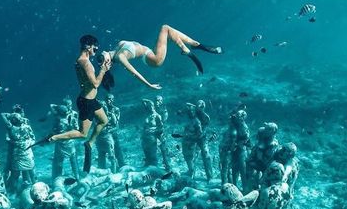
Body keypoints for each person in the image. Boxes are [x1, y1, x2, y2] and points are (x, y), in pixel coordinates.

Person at [38, 35, 112, 174]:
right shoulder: (85, 62)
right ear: (88, 46)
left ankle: (90, 143)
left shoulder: (81, 61)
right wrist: (103, 70)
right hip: (86, 102)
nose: (97, 49)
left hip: (91, 100)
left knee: (104, 120)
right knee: (82, 133)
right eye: (95, 46)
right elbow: (95, 83)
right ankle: (53, 137)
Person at [102, 24, 223, 89]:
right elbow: (134, 72)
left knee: (169, 31)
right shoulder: (120, 57)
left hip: (150, 53)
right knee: (165, 28)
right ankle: (189, 48)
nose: (101, 55)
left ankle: (195, 45)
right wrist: (148, 85)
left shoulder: (117, 46)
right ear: (108, 62)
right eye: (102, 60)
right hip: (154, 60)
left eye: (100, 57)